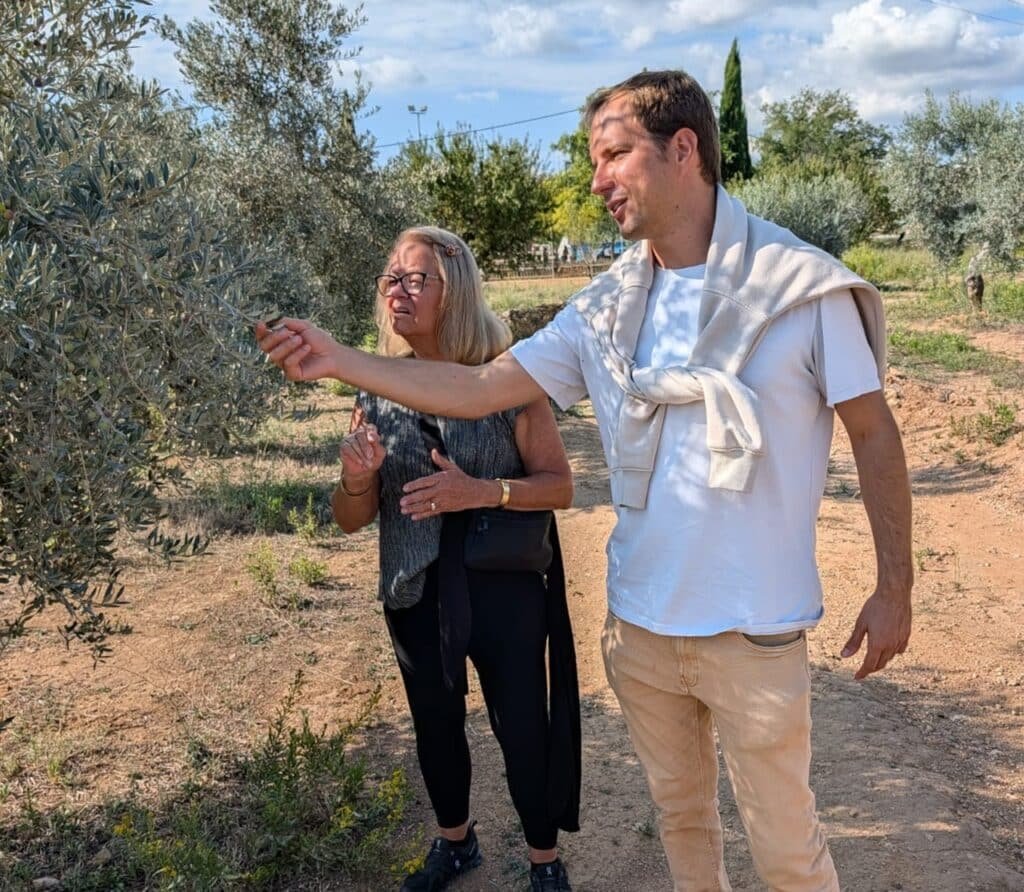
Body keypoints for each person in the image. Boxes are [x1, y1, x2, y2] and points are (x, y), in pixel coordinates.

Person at [257, 70, 913, 891]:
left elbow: (874, 435)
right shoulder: (605, 307)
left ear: (684, 150)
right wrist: (340, 360)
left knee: (787, 853)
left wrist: (895, 587)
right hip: (639, 628)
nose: (596, 179)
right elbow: (479, 386)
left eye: (614, 155)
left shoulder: (799, 287)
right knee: (682, 824)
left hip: (754, 630)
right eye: (592, 159)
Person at [324, 226, 579, 892]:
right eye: (390, 278)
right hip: (414, 589)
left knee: (522, 723)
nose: (396, 292)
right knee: (435, 727)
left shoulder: (508, 381)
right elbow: (350, 519)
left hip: (503, 587)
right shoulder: (373, 391)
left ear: (455, 293)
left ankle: (544, 859)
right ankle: (455, 843)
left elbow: (560, 485)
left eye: (415, 279)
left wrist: (479, 491)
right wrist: (356, 479)